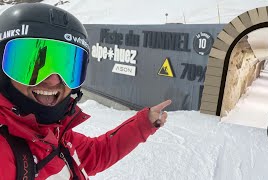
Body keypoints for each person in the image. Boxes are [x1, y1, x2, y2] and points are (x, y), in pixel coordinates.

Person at [0, 3, 171, 180]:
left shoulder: (53, 135)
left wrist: (144, 123)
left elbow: (95, 154)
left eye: (67, 68)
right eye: (32, 65)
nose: (53, 80)